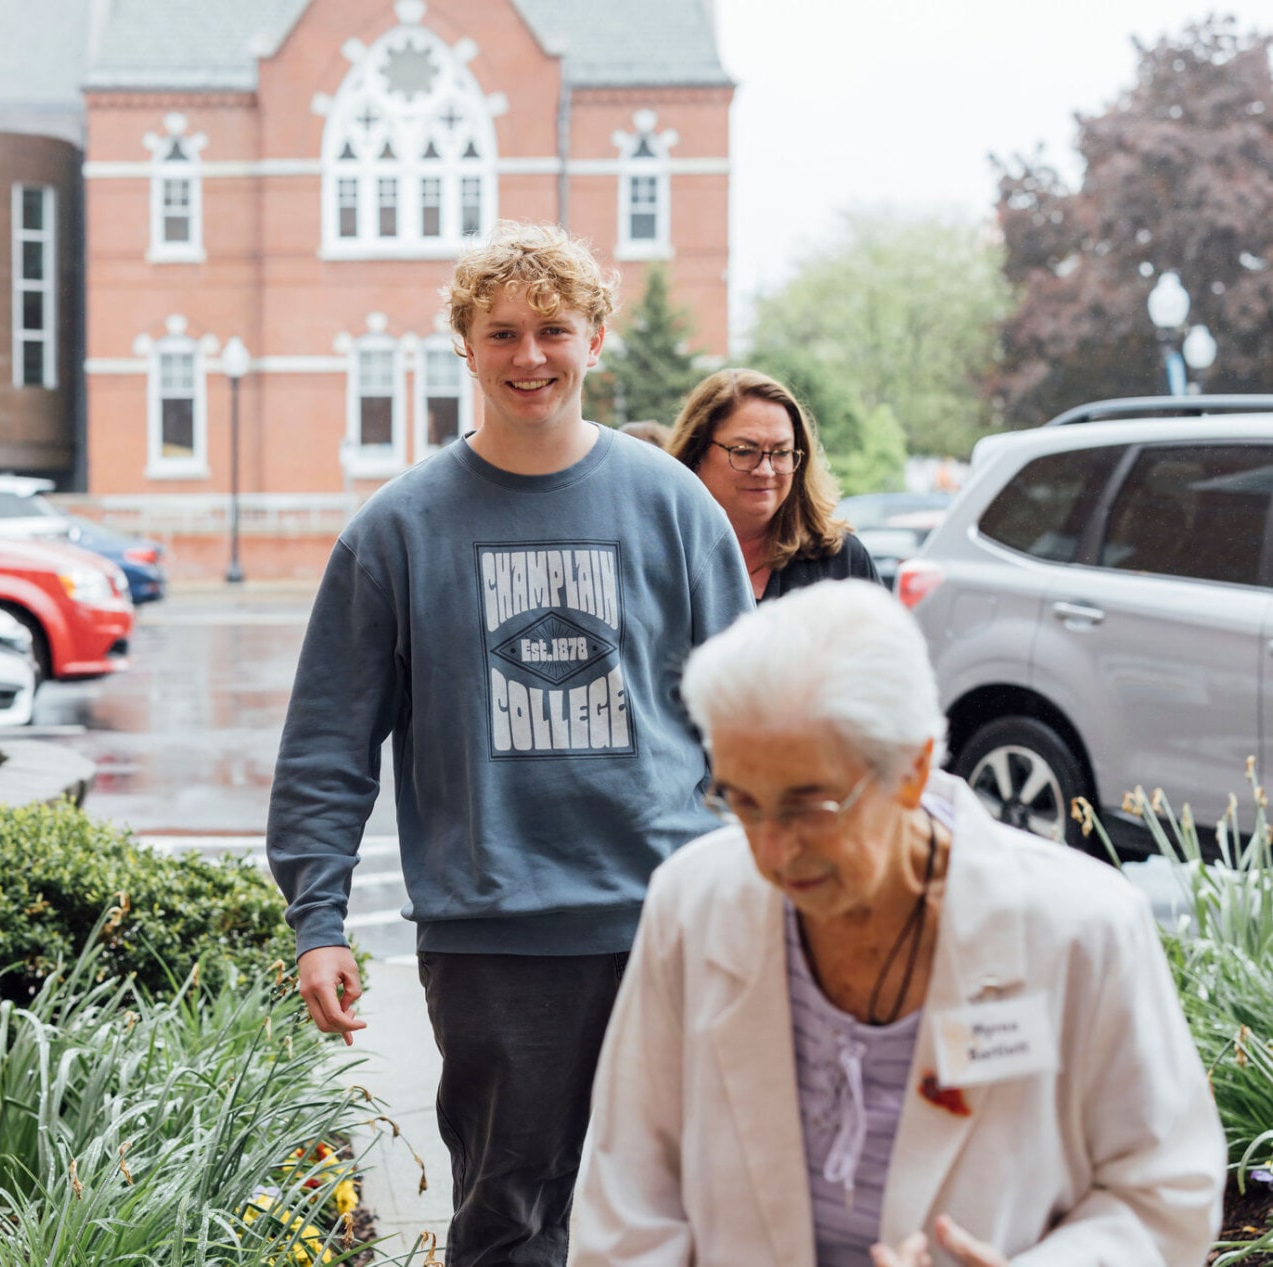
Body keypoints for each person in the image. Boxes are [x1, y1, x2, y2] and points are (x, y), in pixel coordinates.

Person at [266, 222, 753, 1266]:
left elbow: (753, 722)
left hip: (667, 922)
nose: (529, 356)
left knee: (685, 1213)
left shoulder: (672, 507)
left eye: (553, 330)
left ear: (594, 339)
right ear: (467, 346)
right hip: (494, 939)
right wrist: (318, 918)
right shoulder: (398, 529)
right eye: (502, 333)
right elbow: (327, 743)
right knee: (510, 1224)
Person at [570, 581, 1225, 1267]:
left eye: (809, 806)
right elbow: (630, 1201)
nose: (771, 851)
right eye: (743, 803)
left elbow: (1164, 1189)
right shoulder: (692, 901)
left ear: (912, 769)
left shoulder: (1084, 928)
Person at [666, 369, 878, 601]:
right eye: (744, 451)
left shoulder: (841, 561)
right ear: (696, 454)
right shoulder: (660, 555)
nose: (765, 471)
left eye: (781, 452)